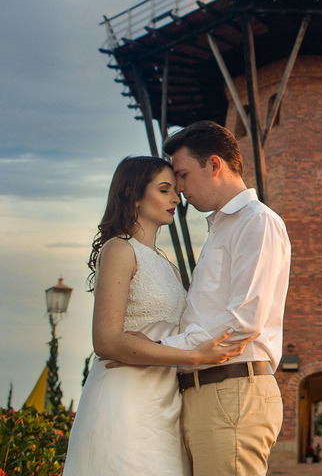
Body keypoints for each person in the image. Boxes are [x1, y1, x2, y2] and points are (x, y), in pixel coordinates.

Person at [62, 156, 250, 476]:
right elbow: (105, 340)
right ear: (133, 194)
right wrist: (193, 356)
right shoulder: (119, 249)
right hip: (124, 395)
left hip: (165, 401)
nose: (176, 198)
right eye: (164, 190)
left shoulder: (170, 268)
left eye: (175, 190)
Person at [160, 120, 292, 476]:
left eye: (183, 174)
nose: (179, 188)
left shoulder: (257, 222)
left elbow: (244, 319)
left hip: (231, 392)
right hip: (212, 391)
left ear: (214, 164)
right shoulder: (225, 226)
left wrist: (162, 351)